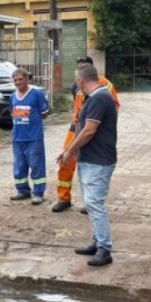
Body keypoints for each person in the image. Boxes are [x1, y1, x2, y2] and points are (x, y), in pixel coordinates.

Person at [57, 64, 118, 267]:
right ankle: (97, 241)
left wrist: (69, 151)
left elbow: (89, 130)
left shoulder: (99, 98)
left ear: (81, 81)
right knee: (90, 203)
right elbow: (81, 128)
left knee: (94, 204)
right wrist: (68, 150)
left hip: (98, 161)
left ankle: (104, 249)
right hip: (90, 159)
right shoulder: (94, 98)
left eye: (77, 80)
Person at [53, 56, 119, 212]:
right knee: (65, 160)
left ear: (91, 69)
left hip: (92, 127)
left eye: (84, 66)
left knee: (91, 166)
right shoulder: (76, 85)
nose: (81, 68)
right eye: (79, 66)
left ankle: (90, 201)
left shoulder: (105, 85)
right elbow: (76, 107)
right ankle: (63, 198)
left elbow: (113, 107)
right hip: (76, 127)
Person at [8, 68, 49, 205]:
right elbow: (12, 112)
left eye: (20, 79)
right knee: (19, 165)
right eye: (15, 80)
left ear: (27, 79)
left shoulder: (36, 94)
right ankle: (22, 190)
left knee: (37, 165)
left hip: (34, 138)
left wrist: (33, 121)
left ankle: (38, 193)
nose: (18, 82)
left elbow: (44, 112)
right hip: (17, 137)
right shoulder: (12, 96)